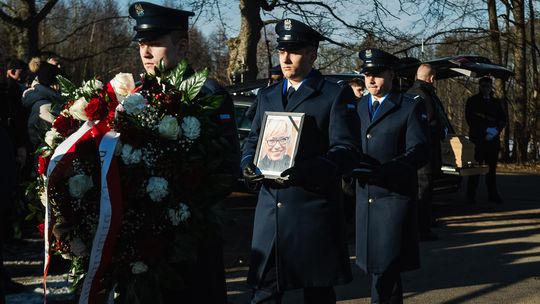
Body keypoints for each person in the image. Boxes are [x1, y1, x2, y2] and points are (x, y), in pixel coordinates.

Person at [241, 18, 360, 303]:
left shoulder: (333, 94)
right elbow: (252, 140)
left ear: (312, 54)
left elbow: (346, 150)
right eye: (282, 50)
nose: (285, 58)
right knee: (264, 294)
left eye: (294, 51)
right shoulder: (268, 95)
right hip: (271, 213)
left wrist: (305, 171)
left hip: (312, 212)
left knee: (317, 294)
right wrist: (247, 162)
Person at [128, 2, 240, 303]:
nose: (146, 53)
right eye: (142, 44)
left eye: (155, 43)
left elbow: (228, 168)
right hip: (143, 241)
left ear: (182, 46)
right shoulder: (134, 97)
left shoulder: (208, 95)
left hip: (190, 240)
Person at [352, 48, 429, 304]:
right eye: (366, 74)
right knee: (374, 268)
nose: (371, 80)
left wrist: (387, 170)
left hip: (393, 199)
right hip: (365, 199)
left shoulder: (408, 107)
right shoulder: (359, 106)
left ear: (391, 74)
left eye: (377, 74)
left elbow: (418, 151)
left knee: (387, 271)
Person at [407, 63, 446, 241]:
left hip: (416, 150)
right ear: (431, 78)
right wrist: (440, 131)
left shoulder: (410, 93)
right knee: (424, 189)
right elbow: (430, 122)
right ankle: (422, 228)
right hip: (425, 151)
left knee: (420, 188)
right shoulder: (424, 95)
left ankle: (423, 222)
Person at [465, 76, 506, 204]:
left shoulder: (496, 102)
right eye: (483, 86)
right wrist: (485, 130)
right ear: (479, 86)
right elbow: (470, 119)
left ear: (491, 87)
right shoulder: (472, 101)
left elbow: (503, 119)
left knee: (491, 170)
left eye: (488, 86)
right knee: (475, 170)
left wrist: (495, 130)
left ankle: (492, 194)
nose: (486, 89)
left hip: (492, 141)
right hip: (478, 140)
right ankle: (470, 195)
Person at [22, 62, 63, 149]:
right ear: (54, 85)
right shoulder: (46, 107)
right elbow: (56, 136)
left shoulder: (42, 99)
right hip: (49, 157)